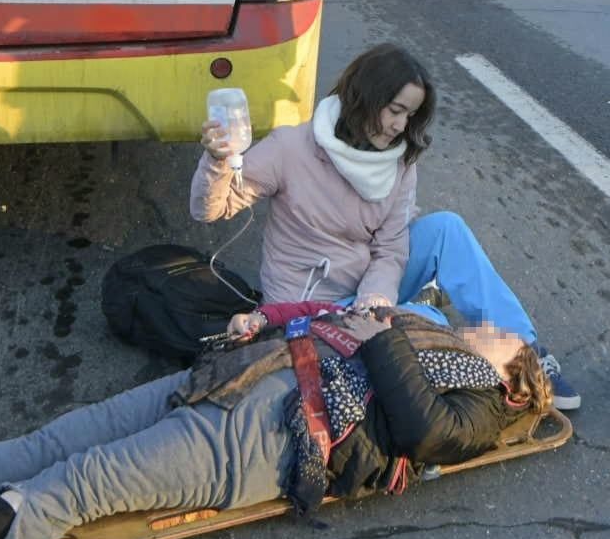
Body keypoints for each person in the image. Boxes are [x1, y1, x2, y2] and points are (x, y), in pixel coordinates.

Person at [0, 308, 553, 539]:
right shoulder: (432, 336)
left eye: (503, 335)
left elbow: (424, 431)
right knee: (62, 437)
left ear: (515, 380)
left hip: (272, 439)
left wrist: (382, 336)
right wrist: (275, 319)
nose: (488, 325)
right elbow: (340, 316)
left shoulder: (482, 407)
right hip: (247, 375)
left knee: (85, 480)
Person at [191, 43, 581, 410]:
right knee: (430, 324)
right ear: (365, 97)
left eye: (410, 114)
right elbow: (209, 210)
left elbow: (391, 248)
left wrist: (375, 298)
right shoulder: (291, 148)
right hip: (308, 306)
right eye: (395, 110)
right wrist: (217, 161)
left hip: (366, 290)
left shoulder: (399, 161)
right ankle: (479, 372)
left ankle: (525, 352)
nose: (400, 125)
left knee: (447, 228)